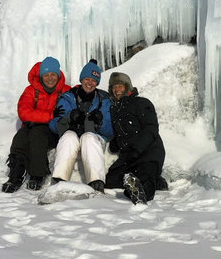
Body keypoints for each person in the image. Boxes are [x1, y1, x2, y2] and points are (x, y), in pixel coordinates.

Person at [2, 56, 70, 193]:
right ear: (41, 76)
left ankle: (37, 175)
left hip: (54, 131)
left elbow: (66, 113)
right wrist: (50, 116)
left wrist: (38, 118)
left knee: (37, 134)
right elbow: (24, 112)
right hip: (33, 127)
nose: (50, 78)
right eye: (46, 75)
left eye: (53, 74)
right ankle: (16, 175)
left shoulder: (66, 91)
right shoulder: (31, 90)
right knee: (20, 138)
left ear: (58, 75)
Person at [49, 59, 113, 191]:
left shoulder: (104, 100)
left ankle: (96, 182)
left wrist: (100, 123)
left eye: (94, 81)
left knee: (88, 137)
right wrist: (69, 119)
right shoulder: (68, 97)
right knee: (69, 136)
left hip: (94, 139)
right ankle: (59, 181)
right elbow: (53, 126)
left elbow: (111, 131)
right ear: (81, 79)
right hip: (73, 138)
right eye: (87, 79)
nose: (90, 83)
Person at [103, 71, 166, 205]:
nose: (117, 90)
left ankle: (141, 192)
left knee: (144, 176)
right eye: (114, 87)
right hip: (128, 156)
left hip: (149, 151)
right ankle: (152, 181)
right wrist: (115, 143)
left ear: (127, 87)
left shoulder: (142, 103)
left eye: (120, 86)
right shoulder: (115, 109)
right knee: (111, 180)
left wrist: (137, 149)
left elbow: (151, 128)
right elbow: (121, 131)